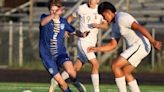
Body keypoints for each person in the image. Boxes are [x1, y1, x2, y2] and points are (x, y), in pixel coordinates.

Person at [88, 2, 161, 92]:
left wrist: (153, 41)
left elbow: (139, 27)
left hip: (140, 45)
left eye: (103, 16)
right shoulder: (114, 25)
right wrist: (96, 49)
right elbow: (113, 45)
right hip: (137, 47)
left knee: (115, 65)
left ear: (108, 12)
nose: (104, 19)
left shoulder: (122, 18)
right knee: (125, 72)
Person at [50, 0, 108, 92]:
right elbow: (70, 17)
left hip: (92, 43)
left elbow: (105, 26)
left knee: (75, 68)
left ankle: (56, 80)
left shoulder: (100, 10)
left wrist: (98, 25)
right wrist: (66, 29)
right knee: (95, 64)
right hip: (83, 41)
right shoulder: (81, 8)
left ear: (98, 0)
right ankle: (96, 90)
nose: (90, 0)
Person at [39, 0, 89, 92]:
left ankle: (75, 82)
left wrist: (82, 34)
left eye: (56, 10)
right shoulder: (44, 17)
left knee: (71, 72)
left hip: (60, 53)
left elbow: (73, 31)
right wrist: (54, 15)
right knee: (61, 83)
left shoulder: (63, 22)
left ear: (61, 10)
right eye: (52, 10)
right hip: (47, 56)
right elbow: (43, 23)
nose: (54, 12)